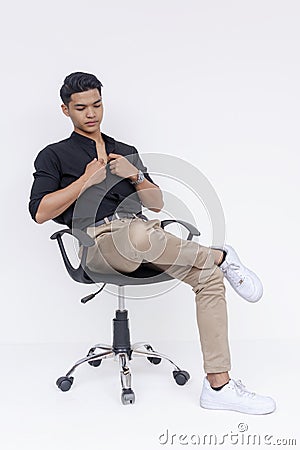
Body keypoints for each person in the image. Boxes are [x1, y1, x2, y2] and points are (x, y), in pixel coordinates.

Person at [29, 71, 276, 414]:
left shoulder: (125, 151)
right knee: (143, 234)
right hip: (97, 244)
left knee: (206, 277)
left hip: (145, 237)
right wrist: (86, 181)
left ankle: (218, 385)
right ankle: (218, 255)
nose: (92, 113)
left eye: (97, 105)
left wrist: (137, 175)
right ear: (65, 110)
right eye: (81, 107)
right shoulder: (53, 155)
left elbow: (156, 203)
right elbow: (40, 213)